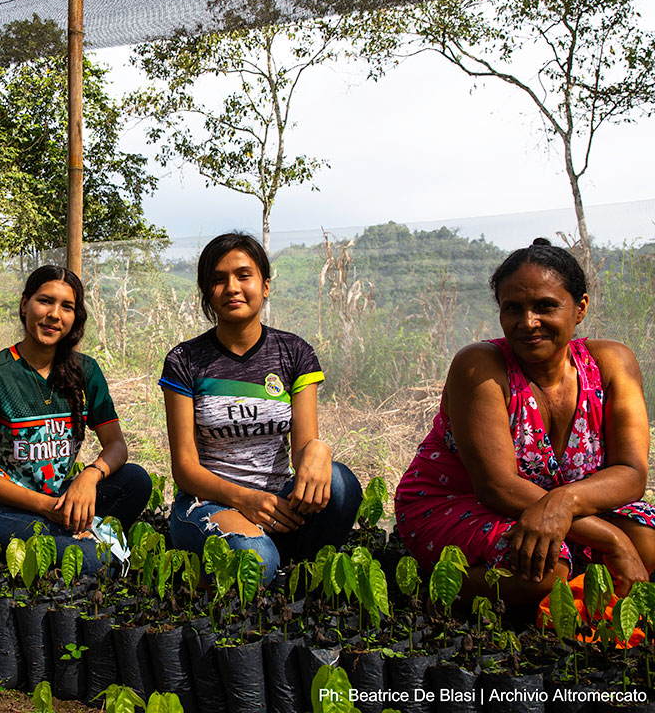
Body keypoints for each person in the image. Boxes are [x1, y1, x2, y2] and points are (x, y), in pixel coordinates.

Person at [395, 238, 655, 603]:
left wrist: (562, 504)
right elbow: (497, 487)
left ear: (580, 308)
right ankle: (433, 588)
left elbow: (631, 473)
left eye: (545, 307)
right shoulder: (480, 367)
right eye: (513, 308)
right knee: (547, 570)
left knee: (647, 541)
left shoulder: (612, 363)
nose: (528, 323)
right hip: (462, 502)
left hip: (559, 507)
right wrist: (611, 539)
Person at [162, 232, 362, 581]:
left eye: (243, 275)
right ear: (207, 292)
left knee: (342, 483)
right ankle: (269, 559)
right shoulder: (186, 360)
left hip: (278, 502)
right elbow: (185, 468)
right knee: (256, 559)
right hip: (210, 502)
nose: (232, 287)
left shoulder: (294, 353)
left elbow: (303, 450)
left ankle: (298, 571)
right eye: (218, 280)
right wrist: (244, 500)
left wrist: (317, 450)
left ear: (265, 285)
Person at [0, 265, 152, 573]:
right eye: (45, 301)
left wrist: (89, 476)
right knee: (90, 560)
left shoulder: (85, 371)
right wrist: (48, 509)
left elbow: (116, 446)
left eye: (67, 306)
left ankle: (78, 535)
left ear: (75, 317)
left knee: (135, 481)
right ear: (24, 304)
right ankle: (82, 539)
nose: (54, 314)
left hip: (55, 499)